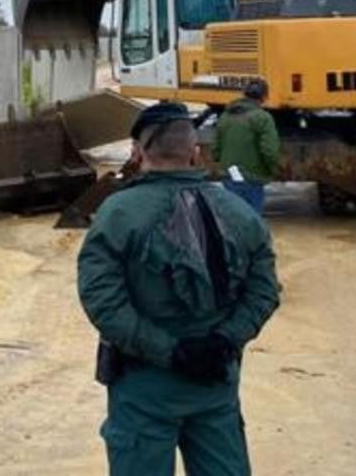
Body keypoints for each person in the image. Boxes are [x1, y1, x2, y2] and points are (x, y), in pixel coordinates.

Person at [78, 102, 281, 475]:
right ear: (195, 152)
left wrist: (171, 353)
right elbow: (264, 290)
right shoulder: (239, 212)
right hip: (215, 379)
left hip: (144, 382)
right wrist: (224, 341)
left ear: (137, 153)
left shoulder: (117, 214)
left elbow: (103, 302)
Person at [212, 80, 280, 213]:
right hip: (252, 178)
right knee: (251, 222)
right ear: (264, 97)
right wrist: (271, 170)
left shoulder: (225, 117)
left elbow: (215, 150)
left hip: (230, 177)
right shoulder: (263, 118)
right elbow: (269, 151)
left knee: (234, 221)